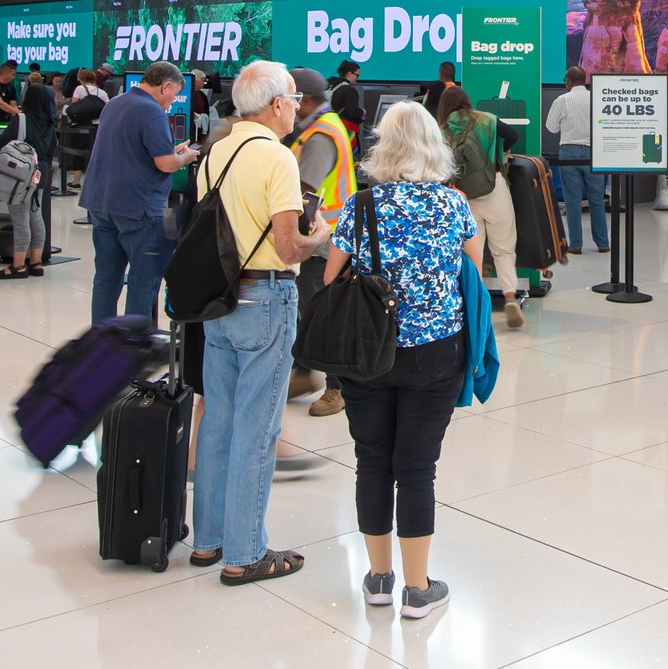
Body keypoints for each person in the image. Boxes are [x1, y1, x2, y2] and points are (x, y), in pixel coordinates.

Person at [322, 99, 477, 619]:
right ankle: (418, 588)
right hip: (435, 353)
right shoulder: (453, 206)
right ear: (433, 145)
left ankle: (379, 579)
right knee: (416, 468)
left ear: (383, 147)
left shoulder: (361, 206)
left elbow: (330, 281)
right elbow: (472, 273)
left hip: (368, 353)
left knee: (372, 462)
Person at [187, 60, 328, 586]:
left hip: (217, 302)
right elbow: (290, 243)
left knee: (219, 420)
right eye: (292, 100)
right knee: (258, 427)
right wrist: (320, 237)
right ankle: (246, 553)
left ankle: (207, 541)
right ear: (275, 104)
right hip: (266, 297)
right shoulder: (276, 157)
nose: (296, 107)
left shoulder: (215, 152)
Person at [76, 61, 197, 311]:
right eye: (175, 94)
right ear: (165, 86)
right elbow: (165, 164)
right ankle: (135, 345)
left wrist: (167, 152)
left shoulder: (115, 103)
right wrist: (184, 157)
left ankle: (102, 342)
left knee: (106, 279)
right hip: (139, 209)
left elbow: (129, 149)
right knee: (144, 282)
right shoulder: (152, 112)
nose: (174, 100)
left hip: (102, 203)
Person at [285, 68, 359, 416]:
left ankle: (336, 387)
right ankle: (303, 373)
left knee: (322, 314)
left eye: (291, 98)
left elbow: (303, 192)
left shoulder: (320, 136)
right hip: (320, 237)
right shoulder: (316, 128)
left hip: (323, 239)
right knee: (307, 308)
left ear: (305, 100)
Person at [436, 83, 521, 329]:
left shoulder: (441, 130)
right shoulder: (487, 119)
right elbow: (513, 136)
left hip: (464, 197)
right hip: (494, 189)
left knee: (473, 254)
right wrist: (499, 152)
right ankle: (510, 298)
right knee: (503, 248)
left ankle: (477, 305)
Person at [545, 65, 608, 253]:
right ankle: (603, 244)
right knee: (596, 199)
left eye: (565, 80)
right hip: (592, 152)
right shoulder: (596, 99)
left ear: (570, 81)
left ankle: (576, 245)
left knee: (572, 200)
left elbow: (551, 127)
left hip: (569, 153)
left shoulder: (562, 100)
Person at [20, 67, 62, 250]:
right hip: (41, 172)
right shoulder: (50, 125)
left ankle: (20, 262)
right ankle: (37, 258)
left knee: (21, 216)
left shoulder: (21, 120)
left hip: (22, 172)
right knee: (36, 214)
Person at [329, 59, 366, 140]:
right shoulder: (349, 90)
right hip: (346, 133)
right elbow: (354, 113)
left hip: (331, 129)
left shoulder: (332, 86)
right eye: (357, 75)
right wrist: (363, 113)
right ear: (349, 73)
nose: (357, 78)